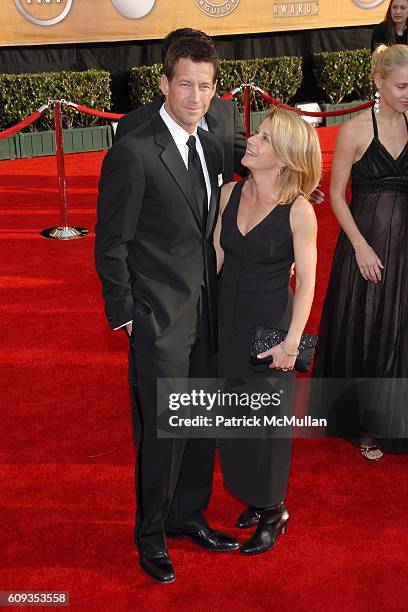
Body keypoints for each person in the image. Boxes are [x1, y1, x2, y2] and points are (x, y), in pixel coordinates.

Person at [95, 36, 239, 585]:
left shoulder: (219, 129)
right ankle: (150, 533)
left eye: (205, 85)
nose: (195, 96)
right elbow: (111, 244)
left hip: (209, 309)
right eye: (185, 83)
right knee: (163, 432)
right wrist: (129, 314)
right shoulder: (133, 151)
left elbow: (262, 159)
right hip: (159, 318)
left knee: (200, 423)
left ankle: (188, 515)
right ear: (163, 84)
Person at [213, 107, 321, 554]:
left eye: (262, 137)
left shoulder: (298, 212)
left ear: (284, 157)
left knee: (268, 425)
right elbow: (215, 260)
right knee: (235, 416)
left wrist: (293, 343)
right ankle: (255, 498)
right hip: (225, 321)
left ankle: (275, 508)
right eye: (256, 132)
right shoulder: (228, 194)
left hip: (271, 331)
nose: (250, 140)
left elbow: (309, 282)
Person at [312, 44, 408, 458]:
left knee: (401, 329)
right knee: (369, 327)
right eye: (402, 85)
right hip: (365, 240)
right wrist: (360, 246)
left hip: (405, 243)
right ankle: (366, 423)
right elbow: (336, 196)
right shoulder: (353, 130)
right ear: (379, 82)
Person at [116, 28, 247, 182]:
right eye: (185, 84)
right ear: (165, 80)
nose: (195, 98)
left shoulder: (227, 113)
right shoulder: (133, 126)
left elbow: (248, 164)